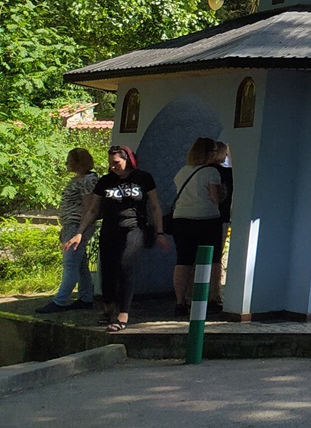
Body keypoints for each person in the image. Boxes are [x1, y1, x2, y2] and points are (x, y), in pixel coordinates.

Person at [63, 145, 169, 332]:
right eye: (110, 163)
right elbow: (93, 210)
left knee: (125, 265)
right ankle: (108, 308)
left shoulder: (143, 178)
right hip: (110, 228)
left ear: (128, 160)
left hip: (134, 227)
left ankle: (123, 314)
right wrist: (79, 232)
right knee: (108, 269)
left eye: (116, 163)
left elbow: (154, 206)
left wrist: (159, 232)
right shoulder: (106, 181)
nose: (112, 167)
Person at [36, 148, 99, 313]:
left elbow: (89, 207)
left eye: (69, 160)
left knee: (70, 263)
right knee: (80, 264)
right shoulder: (78, 179)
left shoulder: (87, 180)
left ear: (78, 162)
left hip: (77, 226)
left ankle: (60, 301)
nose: (66, 163)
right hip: (71, 225)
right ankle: (86, 297)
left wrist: (80, 232)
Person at [170, 137, 226, 317]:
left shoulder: (182, 171)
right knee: (212, 259)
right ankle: (212, 297)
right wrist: (224, 192)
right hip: (206, 219)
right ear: (210, 153)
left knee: (183, 261)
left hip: (181, 219)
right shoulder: (211, 172)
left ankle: (180, 301)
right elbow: (215, 198)